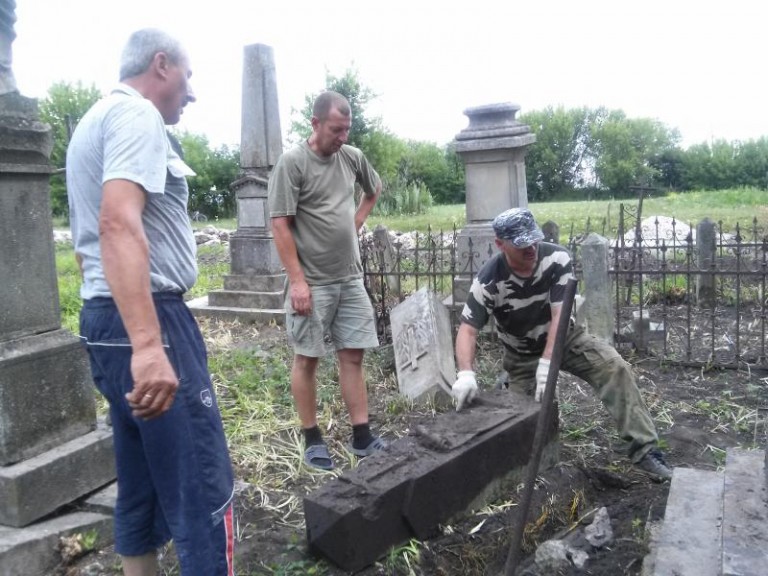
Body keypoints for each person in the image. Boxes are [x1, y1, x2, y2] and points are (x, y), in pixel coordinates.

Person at [66, 29, 235, 575]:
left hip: (104, 315)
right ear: (161, 65)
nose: (192, 93)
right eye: (188, 77)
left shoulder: (91, 122)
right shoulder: (138, 116)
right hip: (148, 317)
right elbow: (116, 221)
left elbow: (87, 242)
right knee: (202, 485)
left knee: (139, 478)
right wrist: (147, 344)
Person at [452, 207, 673, 481]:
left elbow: (560, 314)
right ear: (500, 244)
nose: (531, 247)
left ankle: (645, 450)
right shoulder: (489, 280)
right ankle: (510, 386)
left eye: (534, 239)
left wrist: (547, 362)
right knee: (524, 422)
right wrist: (466, 373)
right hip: (521, 357)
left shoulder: (557, 258)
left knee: (614, 368)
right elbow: (468, 329)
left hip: (567, 340)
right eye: (521, 244)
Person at [268, 90, 386, 471]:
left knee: (353, 354)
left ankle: (362, 436)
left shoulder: (352, 158)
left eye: (347, 130)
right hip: (313, 282)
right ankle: (312, 437)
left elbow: (374, 189)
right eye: (336, 130)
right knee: (308, 358)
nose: (343, 138)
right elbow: (280, 225)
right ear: (315, 124)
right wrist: (298, 283)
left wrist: (355, 223)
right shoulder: (292, 163)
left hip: (349, 277)